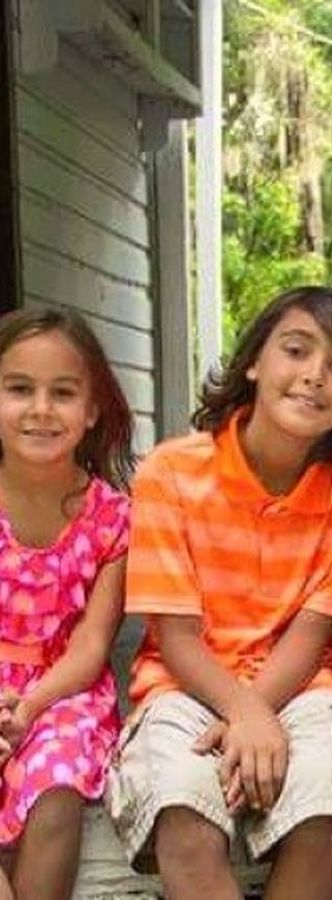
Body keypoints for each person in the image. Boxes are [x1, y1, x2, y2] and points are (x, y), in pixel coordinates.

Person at [105, 286, 332, 900]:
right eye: (297, 351)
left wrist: (257, 712)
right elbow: (175, 636)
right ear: (254, 361)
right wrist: (246, 713)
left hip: (302, 686)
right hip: (182, 684)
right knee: (183, 814)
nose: (316, 375)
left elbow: (310, 635)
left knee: (322, 810)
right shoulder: (171, 473)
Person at [0, 309, 133, 900]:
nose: (41, 409)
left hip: (63, 693)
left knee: (56, 791)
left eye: (63, 393)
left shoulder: (112, 518)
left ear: (93, 409)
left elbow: (91, 645)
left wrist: (27, 709)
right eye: (19, 389)